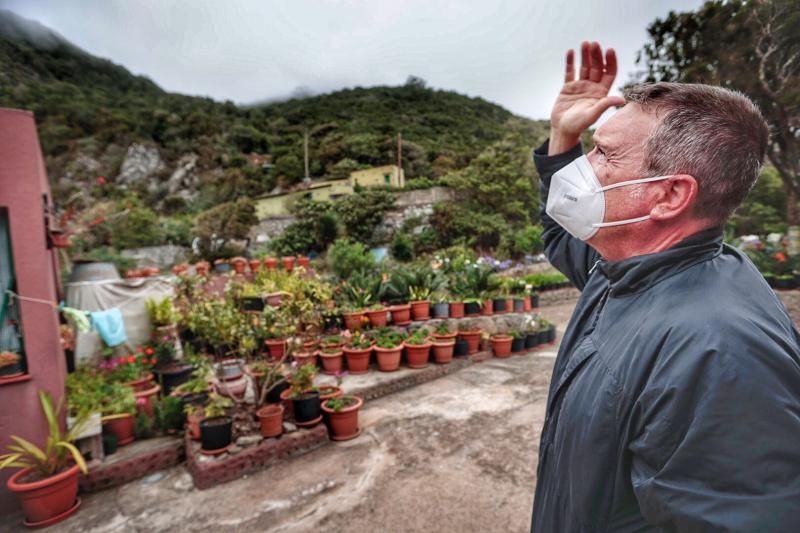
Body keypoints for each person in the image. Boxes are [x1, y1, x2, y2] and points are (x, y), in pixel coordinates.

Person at [530, 41, 800, 532]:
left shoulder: (720, 352)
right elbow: (558, 232)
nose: (582, 171)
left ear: (670, 195)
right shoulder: (624, 262)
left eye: (604, 154)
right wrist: (560, 138)